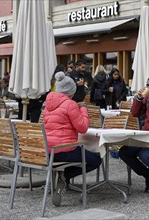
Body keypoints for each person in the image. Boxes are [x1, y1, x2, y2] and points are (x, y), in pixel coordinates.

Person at [43, 71, 101, 206]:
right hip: (64, 150)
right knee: (96, 159)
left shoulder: (48, 106)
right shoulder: (70, 104)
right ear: (71, 92)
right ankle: (65, 176)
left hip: (48, 151)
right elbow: (82, 128)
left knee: (82, 154)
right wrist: (83, 109)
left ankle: (60, 176)